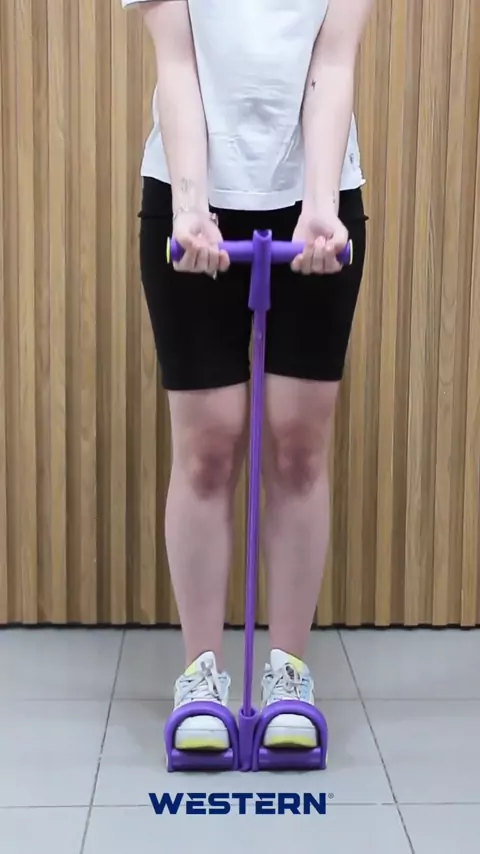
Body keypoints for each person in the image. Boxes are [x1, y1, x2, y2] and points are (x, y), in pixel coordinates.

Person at [122, 0, 373, 752]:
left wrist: (319, 205)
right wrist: (191, 204)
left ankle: (288, 673)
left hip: (317, 201)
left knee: (298, 446)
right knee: (207, 446)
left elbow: (333, 61)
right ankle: (201, 676)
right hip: (190, 200)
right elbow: (178, 62)